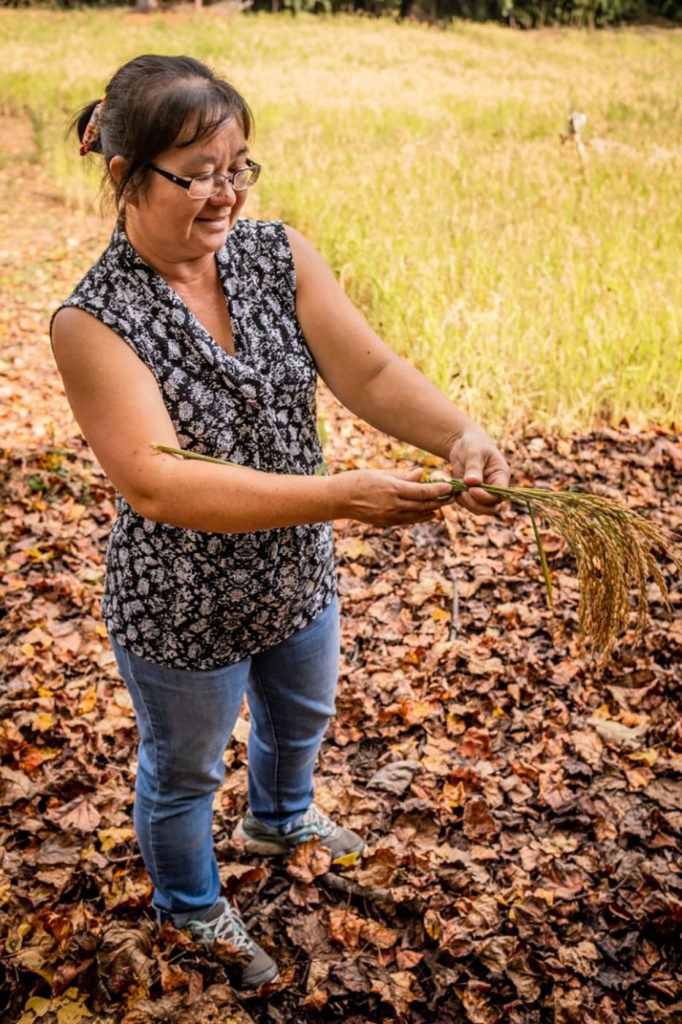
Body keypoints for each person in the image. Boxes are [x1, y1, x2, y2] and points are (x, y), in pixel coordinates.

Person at [51, 54, 510, 989]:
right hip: (182, 605)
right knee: (184, 772)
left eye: (239, 168)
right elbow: (159, 483)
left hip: (296, 573)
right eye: (200, 174)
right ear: (126, 174)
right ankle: (189, 907)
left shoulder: (276, 255)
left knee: (300, 720)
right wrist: (341, 495)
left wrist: (459, 433)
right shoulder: (93, 320)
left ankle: (279, 817)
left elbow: (369, 371)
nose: (227, 195)